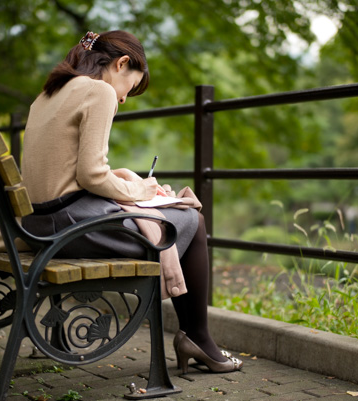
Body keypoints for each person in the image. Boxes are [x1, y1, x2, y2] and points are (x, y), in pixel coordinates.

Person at [16, 30, 242, 374]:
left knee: (170, 215)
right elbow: (91, 175)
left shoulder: (46, 96)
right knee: (192, 220)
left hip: (34, 223)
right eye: (130, 87)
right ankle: (198, 338)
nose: (123, 99)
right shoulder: (100, 90)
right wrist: (141, 193)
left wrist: (127, 187)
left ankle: (197, 338)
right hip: (70, 225)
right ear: (121, 63)